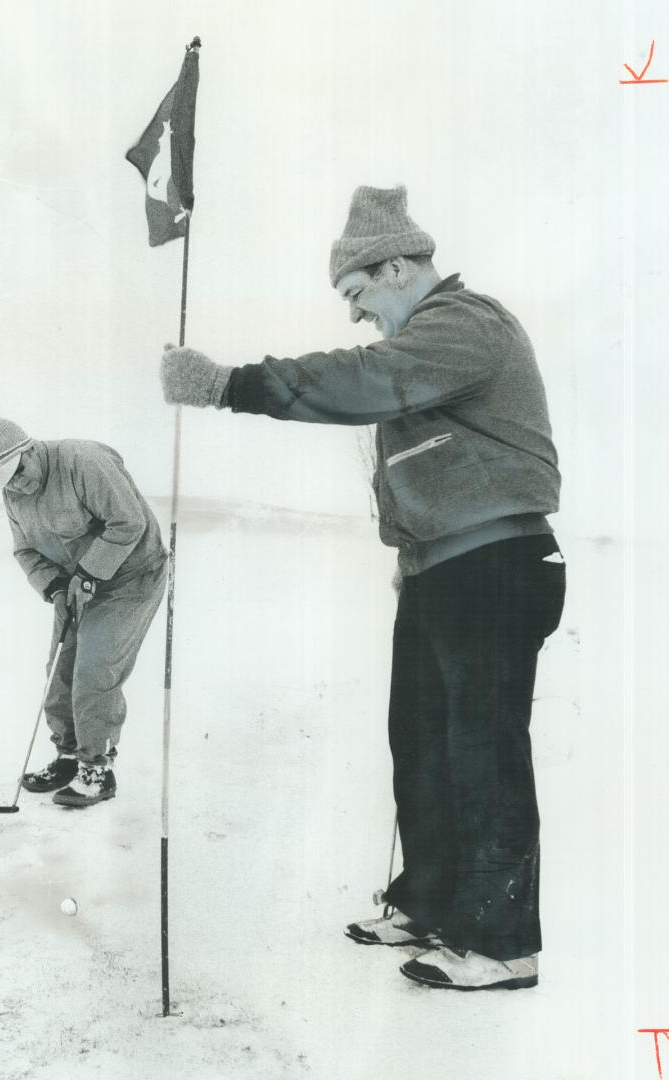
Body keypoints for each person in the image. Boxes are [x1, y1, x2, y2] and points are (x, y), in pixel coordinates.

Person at [160, 185, 565, 991]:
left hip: (496, 567)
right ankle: (432, 902)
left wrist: (230, 384)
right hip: (443, 569)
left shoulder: (463, 324)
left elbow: (366, 382)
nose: (353, 314)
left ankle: (501, 942)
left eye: (355, 293)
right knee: (419, 741)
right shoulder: (431, 337)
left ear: (395, 266)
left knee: (482, 750)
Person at [0, 405, 167, 809]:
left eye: (19, 473)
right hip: (75, 585)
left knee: (95, 669)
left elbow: (129, 522)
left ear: (29, 449)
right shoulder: (15, 496)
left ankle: (97, 769)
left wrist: (89, 574)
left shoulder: (81, 461)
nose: (19, 486)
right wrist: (56, 586)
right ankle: (68, 756)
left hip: (132, 576)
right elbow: (24, 549)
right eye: (8, 483)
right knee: (60, 669)